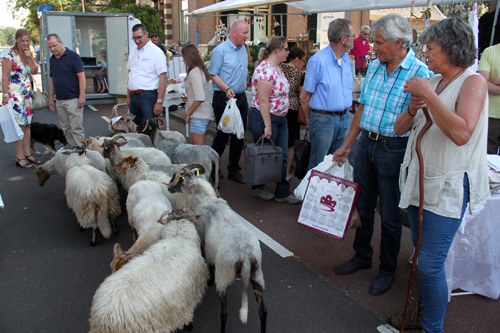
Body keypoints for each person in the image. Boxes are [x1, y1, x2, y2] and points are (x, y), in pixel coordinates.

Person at [389, 18, 490, 332]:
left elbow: (461, 133)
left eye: (431, 48)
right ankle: (423, 315)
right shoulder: (431, 81)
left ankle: (433, 327)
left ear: (450, 49)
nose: (426, 53)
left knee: (430, 264)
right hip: (422, 183)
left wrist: (428, 97)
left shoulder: (473, 82)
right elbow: (399, 128)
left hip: (448, 186)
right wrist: (413, 107)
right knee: (422, 258)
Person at [332, 13, 431, 296]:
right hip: (366, 144)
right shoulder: (376, 66)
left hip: (394, 149)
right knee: (362, 205)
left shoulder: (420, 74)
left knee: (389, 213)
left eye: (378, 43)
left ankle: (387, 269)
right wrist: (348, 144)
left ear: (398, 42)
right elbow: (361, 108)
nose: (373, 47)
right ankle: (362, 255)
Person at [248, 36, 300, 204]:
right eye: (285, 48)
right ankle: (257, 187)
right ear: (277, 50)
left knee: (282, 155)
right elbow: (263, 100)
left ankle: (282, 191)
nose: (288, 52)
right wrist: (267, 126)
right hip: (266, 117)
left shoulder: (278, 67)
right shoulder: (265, 70)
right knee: (265, 153)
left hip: (280, 117)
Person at [299, 19, 354, 172]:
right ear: (343, 39)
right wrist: (312, 118)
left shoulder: (346, 60)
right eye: (352, 36)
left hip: (344, 117)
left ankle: (328, 196)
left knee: (336, 164)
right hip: (323, 119)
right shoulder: (318, 61)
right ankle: (311, 196)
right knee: (319, 164)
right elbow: (304, 97)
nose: (354, 39)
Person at [209, 19, 250, 183]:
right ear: (234, 33)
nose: (247, 36)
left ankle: (233, 170)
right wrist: (226, 88)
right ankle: (213, 167)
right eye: (244, 33)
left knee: (239, 135)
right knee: (222, 134)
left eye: (247, 33)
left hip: (240, 98)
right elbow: (213, 74)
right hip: (223, 98)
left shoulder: (243, 49)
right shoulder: (220, 51)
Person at [1, 28, 40, 168]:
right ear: (16, 40)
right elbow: (4, 77)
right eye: (22, 40)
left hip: (27, 96)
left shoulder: (27, 54)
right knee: (19, 126)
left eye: (27, 40)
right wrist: (5, 95)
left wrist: (30, 57)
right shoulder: (9, 55)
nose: (25, 43)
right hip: (15, 96)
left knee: (27, 125)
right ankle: (19, 156)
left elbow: (35, 71)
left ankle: (27, 153)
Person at [46, 33, 86, 147]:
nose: (53, 49)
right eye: (50, 47)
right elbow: (52, 79)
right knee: (66, 128)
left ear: (61, 43)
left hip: (73, 98)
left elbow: (81, 76)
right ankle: (73, 149)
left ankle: (81, 150)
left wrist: (82, 96)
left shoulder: (73, 56)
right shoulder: (52, 60)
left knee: (76, 128)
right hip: (60, 99)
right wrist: (50, 98)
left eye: (54, 45)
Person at [127, 24, 168, 126]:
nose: (137, 41)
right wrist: (128, 97)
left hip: (148, 97)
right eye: (134, 38)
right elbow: (130, 74)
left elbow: (163, 78)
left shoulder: (156, 52)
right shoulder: (133, 52)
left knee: (150, 130)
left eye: (139, 37)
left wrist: (159, 102)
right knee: (136, 128)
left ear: (146, 34)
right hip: (133, 96)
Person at [181, 44, 214, 145]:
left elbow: (200, 97)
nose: (183, 60)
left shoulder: (194, 72)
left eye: (183, 57)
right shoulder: (199, 70)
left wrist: (188, 113)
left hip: (198, 115)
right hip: (202, 114)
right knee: (200, 150)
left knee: (199, 151)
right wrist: (188, 98)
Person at [281, 47, 306, 180]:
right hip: (293, 109)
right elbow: (301, 94)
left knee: (280, 140)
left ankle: (274, 171)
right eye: (302, 60)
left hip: (279, 108)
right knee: (290, 143)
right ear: (296, 59)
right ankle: (285, 173)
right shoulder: (298, 72)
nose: (303, 63)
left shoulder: (279, 67)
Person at [477, 42, 500, 154]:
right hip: (490, 116)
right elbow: (482, 83)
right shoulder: (490, 51)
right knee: (487, 158)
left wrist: (495, 81)